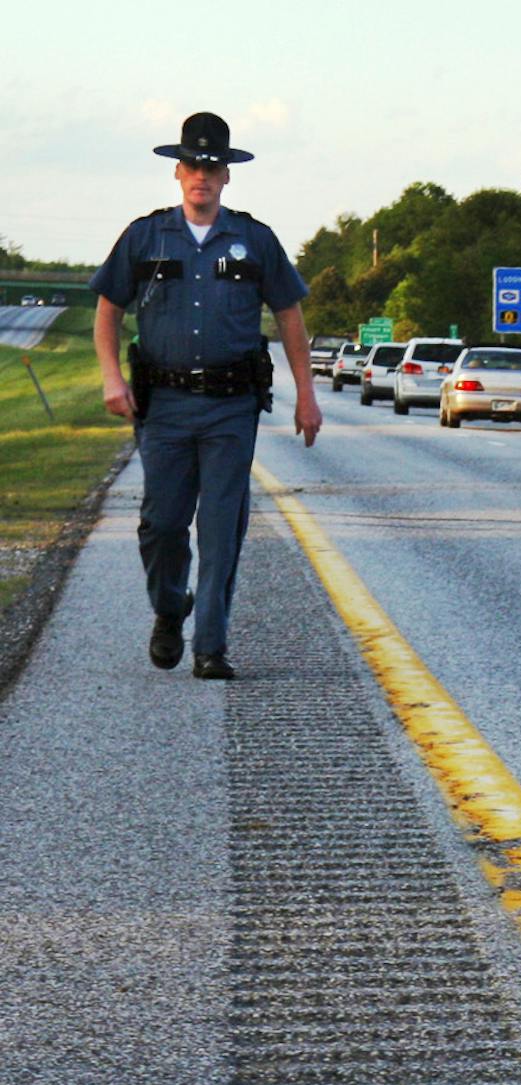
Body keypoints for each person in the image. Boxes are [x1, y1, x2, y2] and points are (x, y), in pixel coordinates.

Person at [92, 111, 319, 680]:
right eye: (193, 164)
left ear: (226, 176)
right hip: (162, 408)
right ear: (178, 171)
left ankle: (211, 646)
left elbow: (290, 315)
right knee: (162, 524)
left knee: (222, 526)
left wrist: (307, 395)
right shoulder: (145, 236)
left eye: (212, 165)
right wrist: (110, 378)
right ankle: (171, 609)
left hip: (229, 408)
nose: (202, 174)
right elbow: (108, 310)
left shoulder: (254, 239)